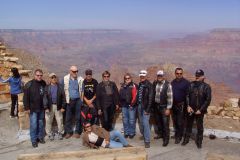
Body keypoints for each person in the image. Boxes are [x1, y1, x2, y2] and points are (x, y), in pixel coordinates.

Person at [181, 69, 211, 149]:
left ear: (203, 77)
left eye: (199, 75)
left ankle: (199, 141)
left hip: (200, 111)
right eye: (196, 75)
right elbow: (187, 96)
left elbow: (208, 100)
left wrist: (200, 110)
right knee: (188, 125)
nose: (197, 76)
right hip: (191, 109)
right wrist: (188, 106)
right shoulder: (191, 85)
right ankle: (186, 140)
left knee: (199, 127)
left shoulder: (206, 87)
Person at [23, 69, 46, 148]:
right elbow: (25, 98)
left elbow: (45, 95)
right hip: (33, 109)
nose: (39, 77)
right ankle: (33, 140)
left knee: (41, 124)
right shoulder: (29, 84)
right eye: (38, 75)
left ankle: (40, 137)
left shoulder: (43, 83)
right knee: (33, 125)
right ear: (34, 75)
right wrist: (27, 108)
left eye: (40, 75)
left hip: (41, 108)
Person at [63, 65, 84, 139]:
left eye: (76, 71)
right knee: (68, 117)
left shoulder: (80, 79)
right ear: (70, 71)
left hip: (78, 100)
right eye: (74, 71)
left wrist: (81, 101)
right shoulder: (65, 79)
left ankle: (77, 132)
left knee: (78, 117)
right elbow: (62, 91)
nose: (75, 72)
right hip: (69, 101)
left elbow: (82, 91)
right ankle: (69, 132)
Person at [152, 70, 173, 147]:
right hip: (156, 106)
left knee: (165, 124)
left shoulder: (168, 85)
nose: (159, 77)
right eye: (158, 76)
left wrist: (168, 108)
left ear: (163, 76)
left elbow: (170, 97)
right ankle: (160, 134)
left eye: (161, 76)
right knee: (158, 122)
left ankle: (166, 139)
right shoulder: (155, 83)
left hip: (164, 107)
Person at [43, 73, 66, 141]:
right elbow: (45, 98)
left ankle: (60, 133)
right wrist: (45, 107)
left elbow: (63, 98)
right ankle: (49, 134)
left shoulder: (60, 87)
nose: (54, 79)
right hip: (50, 106)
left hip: (58, 106)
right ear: (50, 79)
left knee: (60, 120)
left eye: (55, 77)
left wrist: (63, 107)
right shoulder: (47, 87)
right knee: (48, 120)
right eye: (52, 77)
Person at [171, 68, 190, 144]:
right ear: (175, 74)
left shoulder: (186, 83)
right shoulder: (173, 82)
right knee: (175, 121)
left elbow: (188, 95)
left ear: (182, 74)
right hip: (173, 105)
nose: (179, 75)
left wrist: (188, 105)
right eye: (177, 73)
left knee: (180, 122)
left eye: (180, 73)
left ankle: (179, 137)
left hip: (182, 105)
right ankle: (177, 134)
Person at [137, 70, 153, 148]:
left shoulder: (149, 85)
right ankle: (144, 135)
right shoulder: (140, 84)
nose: (142, 77)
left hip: (146, 107)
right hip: (139, 106)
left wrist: (148, 109)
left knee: (145, 123)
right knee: (141, 123)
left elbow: (150, 98)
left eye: (143, 76)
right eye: (141, 76)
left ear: (146, 76)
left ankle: (147, 141)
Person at [119, 73, 138, 139]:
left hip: (131, 106)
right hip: (124, 106)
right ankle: (126, 132)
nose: (127, 79)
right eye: (126, 78)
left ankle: (132, 132)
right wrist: (120, 104)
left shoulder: (134, 85)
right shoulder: (122, 86)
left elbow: (136, 96)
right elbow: (120, 95)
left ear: (131, 78)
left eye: (128, 78)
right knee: (125, 120)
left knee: (132, 120)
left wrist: (132, 104)